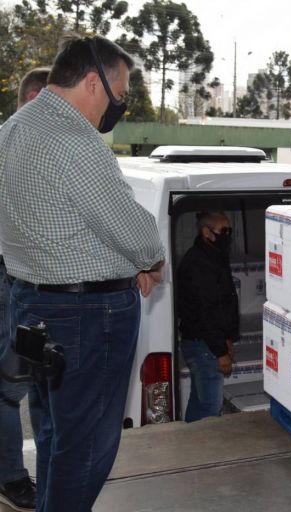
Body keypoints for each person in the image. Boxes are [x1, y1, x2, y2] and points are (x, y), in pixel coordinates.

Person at [0, 34, 165, 512]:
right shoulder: (76, 141)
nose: (119, 106)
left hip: (30, 304)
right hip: (88, 315)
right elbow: (136, 234)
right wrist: (151, 260)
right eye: (120, 93)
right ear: (94, 83)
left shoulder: (12, 130)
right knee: (87, 446)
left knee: (54, 432)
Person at [0, 66, 50, 512]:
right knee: (9, 386)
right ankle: (13, 476)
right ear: (35, 100)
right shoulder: (13, 149)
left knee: (27, 381)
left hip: (20, 282)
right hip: (9, 280)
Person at [177, 211, 239, 422]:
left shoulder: (214, 257)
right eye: (223, 231)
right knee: (210, 410)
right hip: (204, 345)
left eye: (229, 231)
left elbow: (223, 304)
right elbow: (206, 311)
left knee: (200, 403)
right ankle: (199, 452)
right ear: (206, 232)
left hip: (209, 343)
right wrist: (220, 351)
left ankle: (190, 447)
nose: (228, 236)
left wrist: (228, 338)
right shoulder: (198, 263)